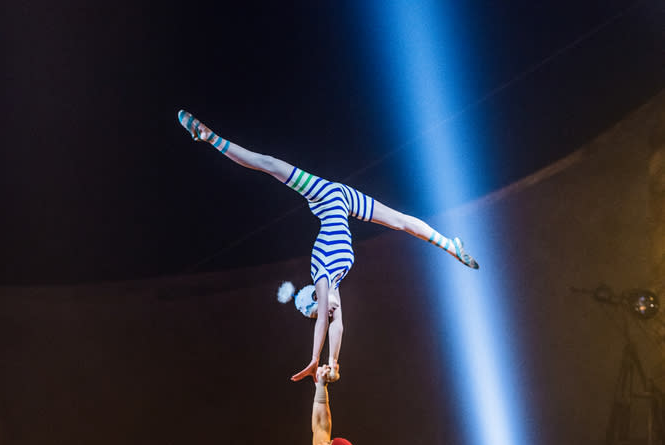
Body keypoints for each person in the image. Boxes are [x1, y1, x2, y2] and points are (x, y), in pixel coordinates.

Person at [177, 110, 479, 382]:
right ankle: (449, 245)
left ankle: (209, 136)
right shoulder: (336, 283)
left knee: (267, 165)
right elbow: (337, 326)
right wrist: (333, 363)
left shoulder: (321, 277)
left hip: (322, 196)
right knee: (400, 222)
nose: (329, 309)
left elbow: (323, 319)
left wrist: (313, 359)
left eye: (317, 308)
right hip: (345, 201)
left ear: (314, 298)